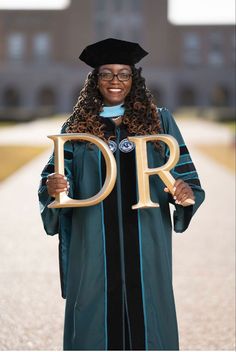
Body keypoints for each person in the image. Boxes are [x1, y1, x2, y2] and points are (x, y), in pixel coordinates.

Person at [38, 38, 205, 350]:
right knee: (94, 316)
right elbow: (54, 180)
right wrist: (54, 188)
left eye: (123, 74)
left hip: (146, 240)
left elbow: (186, 178)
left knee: (150, 317)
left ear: (134, 79)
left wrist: (184, 194)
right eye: (106, 74)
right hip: (94, 244)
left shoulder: (159, 121)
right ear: (95, 80)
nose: (115, 81)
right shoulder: (76, 128)